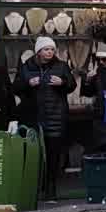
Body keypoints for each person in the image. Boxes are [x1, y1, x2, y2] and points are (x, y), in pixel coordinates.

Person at [17, 36, 76, 198]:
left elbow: (72, 85)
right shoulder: (26, 67)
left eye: (52, 50)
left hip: (55, 115)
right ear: (38, 51)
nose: (49, 52)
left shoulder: (61, 66)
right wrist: (28, 84)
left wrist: (63, 83)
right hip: (33, 115)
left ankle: (51, 189)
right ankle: (34, 189)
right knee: (34, 154)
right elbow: (16, 87)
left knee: (53, 154)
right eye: (46, 49)